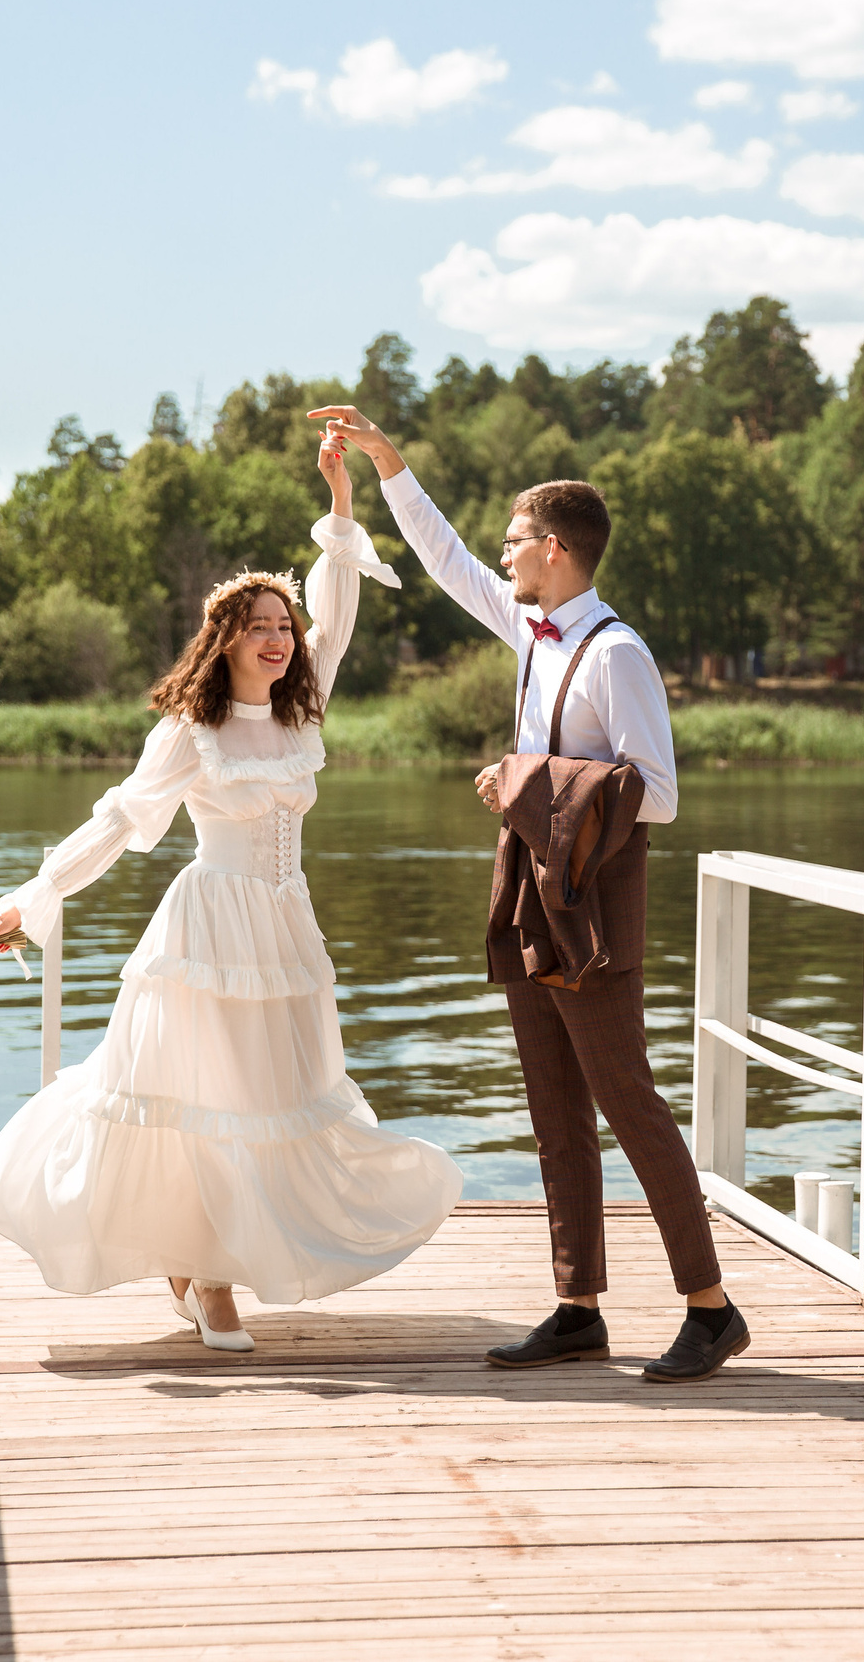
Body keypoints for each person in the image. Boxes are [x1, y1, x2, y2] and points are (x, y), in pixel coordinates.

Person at [0, 434, 461, 1352]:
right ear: (226, 638)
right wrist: (36, 895)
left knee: (278, 1097)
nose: (278, 637)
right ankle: (209, 1277)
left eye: (283, 624)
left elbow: (338, 618)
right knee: (212, 1100)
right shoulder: (194, 728)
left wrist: (340, 500)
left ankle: (206, 1261)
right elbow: (120, 818)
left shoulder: (301, 711)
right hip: (208, 931)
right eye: (259, 625)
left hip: (286, 928)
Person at [307, 401, 750, 1385]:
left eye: (515, 540)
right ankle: (578, 1306)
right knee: (553, 1108)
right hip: (530, 892)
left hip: (598, 906)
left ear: (554, 549)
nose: (502, 555)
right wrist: (386, 463)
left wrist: (523, 778)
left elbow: (660, 797)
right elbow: (445, 559)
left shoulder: (618, 653)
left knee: (628, 1101)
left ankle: (711, 1308)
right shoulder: (528, 625)